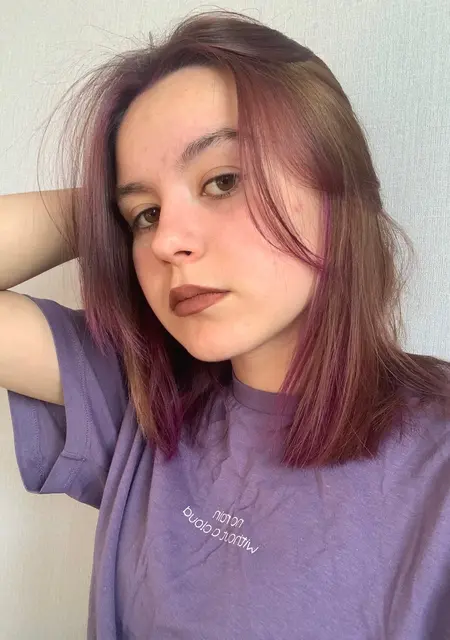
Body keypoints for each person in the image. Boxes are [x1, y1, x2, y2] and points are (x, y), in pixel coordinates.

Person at [1, 9, 450, 640]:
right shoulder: (139, 403)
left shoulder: (435, 467)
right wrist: (104, 207)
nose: (167, 242)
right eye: (145, 216)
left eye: (222, 180)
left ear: (339, 186)